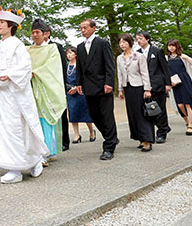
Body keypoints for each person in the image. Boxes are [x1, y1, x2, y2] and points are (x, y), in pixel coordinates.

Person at [0, 9, 49, 184]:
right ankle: (26, 162)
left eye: (2, 22)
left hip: (13, 94)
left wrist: (10, 75)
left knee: (16, 129)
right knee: (2, 130)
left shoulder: (17, 44)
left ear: (11, 25)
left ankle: (19, 167)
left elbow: (25, 67)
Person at [75, 19, 118, 160]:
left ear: (94, 28)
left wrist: (109, 83)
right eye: (81, 28)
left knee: (107, 115)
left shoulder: (102, 43)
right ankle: (111, 136)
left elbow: (109, 65)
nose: (82, 30)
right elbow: (80, 67)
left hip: (103, 86)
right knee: (93, 114)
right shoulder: (80, 47)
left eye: (85, 27)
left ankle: (109, 147)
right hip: (88, 86)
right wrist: (79, 83)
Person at [28, 18, 67, 162]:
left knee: (45, 120)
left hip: (45, 89)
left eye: (37, 32)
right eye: (33, 32)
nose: (35, 35)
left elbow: (52, 67)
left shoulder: (52, 49)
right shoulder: (28, 49)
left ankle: (49, 151)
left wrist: (35, 73)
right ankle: (37, 150)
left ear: (45, 34)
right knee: (34, 120)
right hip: (31, 89)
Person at [116, 34, 154, 152]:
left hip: (139, 87)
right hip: (127, 88)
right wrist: (120, 89)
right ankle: (140, 138)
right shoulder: (119, 58)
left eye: (124, 42)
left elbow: (144, 73)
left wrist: (147, 89)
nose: (122, 44)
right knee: (132, 114)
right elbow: (120, 74)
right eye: (120, 42)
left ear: (130, 43)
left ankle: (147, 140)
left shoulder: (139, 56)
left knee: (142, 114)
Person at [135, 31, 172, 143]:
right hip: (143, 86)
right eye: (137, 39)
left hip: (158, 85)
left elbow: (164, 68)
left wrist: (168, 83)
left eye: (141, 38)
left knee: (159, 109)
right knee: (148, 110)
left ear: (147, 39)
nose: (139, 41)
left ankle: (162, 132)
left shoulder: (157, 51)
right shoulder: (136, 53)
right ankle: (157, 130)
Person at [42, 24, 70, 152]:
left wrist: (63, 86)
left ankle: (64, 141)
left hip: (56, 83)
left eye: (40, 32)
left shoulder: (56, 46)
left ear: (47, 33)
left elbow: (62, 68)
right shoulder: (34, 47)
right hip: (42, 85)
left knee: (61, 113)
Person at [165, 40, 192, 135]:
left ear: (177, 46)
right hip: (174, 82)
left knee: (188, 103)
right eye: (170, 46)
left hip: (185, 81)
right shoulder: (166, 58)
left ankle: (190, 126)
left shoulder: (182, 57)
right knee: (180, 105)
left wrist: (186, 58)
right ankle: (187, 120)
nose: (172, 48)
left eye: (173, 46)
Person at [65, 46, 95, 143]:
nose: (69, 55)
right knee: (73, 113)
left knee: (85, 113)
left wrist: (77, 87)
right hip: (70, 92)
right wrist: (69, 88)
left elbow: (85, 78)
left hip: (80, 91)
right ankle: (77, 135)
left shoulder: (80, 65)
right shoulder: (66, 66)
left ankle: (91, 132)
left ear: (76, 54)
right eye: (67, 53)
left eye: (71, 53)